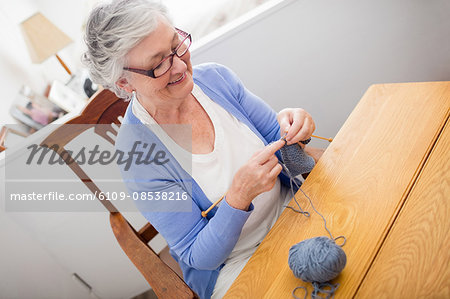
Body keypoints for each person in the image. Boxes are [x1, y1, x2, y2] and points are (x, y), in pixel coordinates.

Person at [82, 1, 322, 298]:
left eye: (176, 45)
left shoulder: (216, 79)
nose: (181, 66)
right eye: (159, 64)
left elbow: (283, 146)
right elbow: (199, 255)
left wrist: (296, 133)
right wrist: (237, 199)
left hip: (294, 208)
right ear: (123, 81)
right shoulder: (138, 158)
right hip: (236, 264)